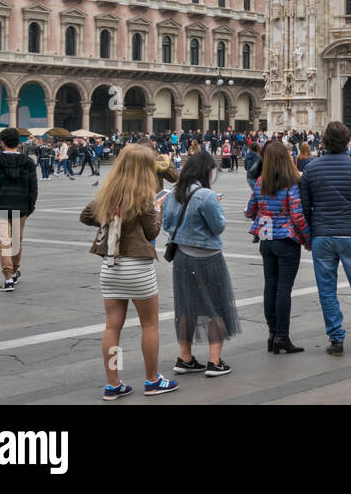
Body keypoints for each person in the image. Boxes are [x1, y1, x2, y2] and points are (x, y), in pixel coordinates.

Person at [79, 144, 177, 399]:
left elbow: (85, 216)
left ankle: (113, 384)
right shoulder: (144, 197)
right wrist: (157, 209)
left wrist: (110, 216)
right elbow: (152, 233)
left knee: (112, 327)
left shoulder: (108, 193)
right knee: (149, 325)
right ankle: (152, 380)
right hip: (137, 268)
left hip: (110, 266)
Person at [300, 121, 351, 354]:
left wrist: (310, 234)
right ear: (348, 141)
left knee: (327, 290)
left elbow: (304, 207)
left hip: (323, 235)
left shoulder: (311, 169)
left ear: (324, 141)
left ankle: (336, 340)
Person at [162, 151, 240, 377]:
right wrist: (217, 205)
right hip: (208, 257)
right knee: (216, 305)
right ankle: (215, 362)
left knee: (186, 306)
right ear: (205, 171)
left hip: (182, 257)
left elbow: (166, 225)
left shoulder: (173, 193)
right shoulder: (206, 195)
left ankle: (184, 358)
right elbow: (218, 227)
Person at [245, 140, 310, 354]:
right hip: (286, 240)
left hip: (266, 240)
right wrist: (307, 238)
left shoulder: (260, 181)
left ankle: (272, 334)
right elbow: (297, 215)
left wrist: (265, 213)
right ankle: (282, 336)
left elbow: (251, 209)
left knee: (269, 287)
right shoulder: (290, 183)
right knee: (284, 290)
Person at [0, 128, 37, 292]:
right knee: (16, 241)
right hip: (21, 207)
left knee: (4, 243)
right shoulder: (28, 162)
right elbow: (33, 188)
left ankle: (8, 278)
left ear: (2, 142)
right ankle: (14, 271)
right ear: (18, 142)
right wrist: (29, 207)